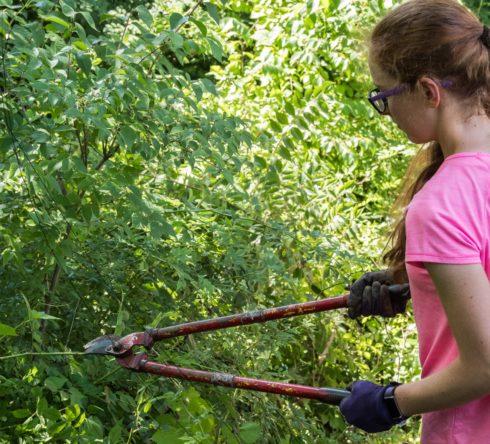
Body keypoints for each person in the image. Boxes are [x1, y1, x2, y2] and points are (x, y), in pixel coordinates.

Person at [338, 0, 490, 442]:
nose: (386, 114)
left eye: (383, 97)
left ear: (428, 91)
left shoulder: (441, 205)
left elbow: (484, 366)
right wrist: (420, 289)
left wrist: (390, 401)